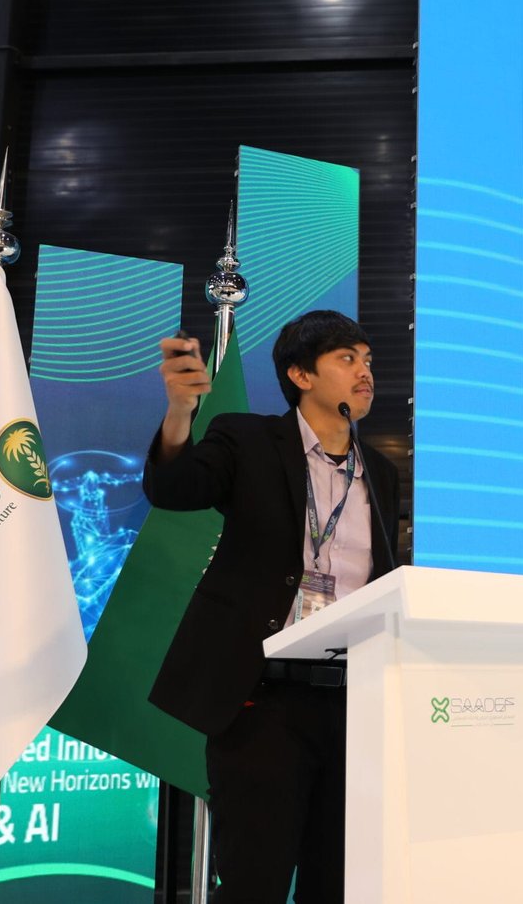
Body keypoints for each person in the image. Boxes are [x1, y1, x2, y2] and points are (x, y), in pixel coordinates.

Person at [142, 310, 400, 903]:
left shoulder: (380, 474)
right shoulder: (248, 440)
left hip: (352, 707)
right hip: (263, 703)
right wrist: (180, 412)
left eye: (367, 360)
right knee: (254, 882)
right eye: (347, 359)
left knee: (338, 883)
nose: (365, 372)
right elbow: (174, 489)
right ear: (300, 375)